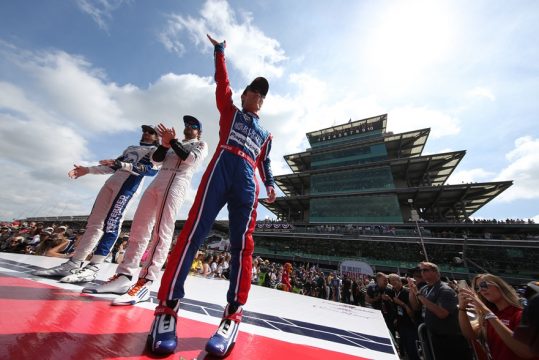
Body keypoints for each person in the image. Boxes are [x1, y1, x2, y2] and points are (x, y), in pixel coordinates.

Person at [146, 34, 276, 357]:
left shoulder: (266, 134)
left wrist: (270, 184)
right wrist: (219, 52)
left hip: (247, 179)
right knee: (193, 232)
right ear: (244, 95)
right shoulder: (229, 111)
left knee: (242, 246)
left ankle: (233, 314)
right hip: (222, 165)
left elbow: (265, 162)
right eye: (254, 91)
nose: (258, 96)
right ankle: (167, 307)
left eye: (262, 94)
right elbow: (222, 81)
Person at [83, 117, 208, 305]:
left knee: (161, 231)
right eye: (187, 126)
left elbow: (189, 159)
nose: (189, 128)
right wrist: (165, 145)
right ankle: (124, 277)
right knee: (139, 227)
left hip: (177, 180)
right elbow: (155, 160)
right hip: (159, 178)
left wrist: (172, 141)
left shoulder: (201, 144)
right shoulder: (177, 144)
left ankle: (146, 282)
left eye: (193, 126)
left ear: (199, 131)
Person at [33, 126, 159, 280]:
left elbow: (150, 171)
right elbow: (112, 166)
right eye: (145, 130)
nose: (146, 133)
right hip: (111, 182)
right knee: (94, 223)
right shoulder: (131, 148)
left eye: (151, 132)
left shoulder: (155, 151)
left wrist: (122, 165)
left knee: (112, 223)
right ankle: (74, 263)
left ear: (157, 136)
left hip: (127, 187)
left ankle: (94, 266)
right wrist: (87, 170)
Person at [458, 274, 536, 360]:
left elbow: (527, 352)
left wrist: (486, 311)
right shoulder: (490, 316)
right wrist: (462, 309)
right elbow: (470, 335)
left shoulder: (520, 314)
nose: (481, 290)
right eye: (477, 288)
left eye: (484, 285)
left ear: (499, 285)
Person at [409, 261, 473, 360]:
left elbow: (442, 314)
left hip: (450, 340)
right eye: (421, 270)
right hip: (434, 337)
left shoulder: (445, 290)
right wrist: (412, 291)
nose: (421, 273)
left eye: (425, 270)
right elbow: (415, 306)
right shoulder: (425, 289)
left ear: (435, 272)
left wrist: (418, 295)